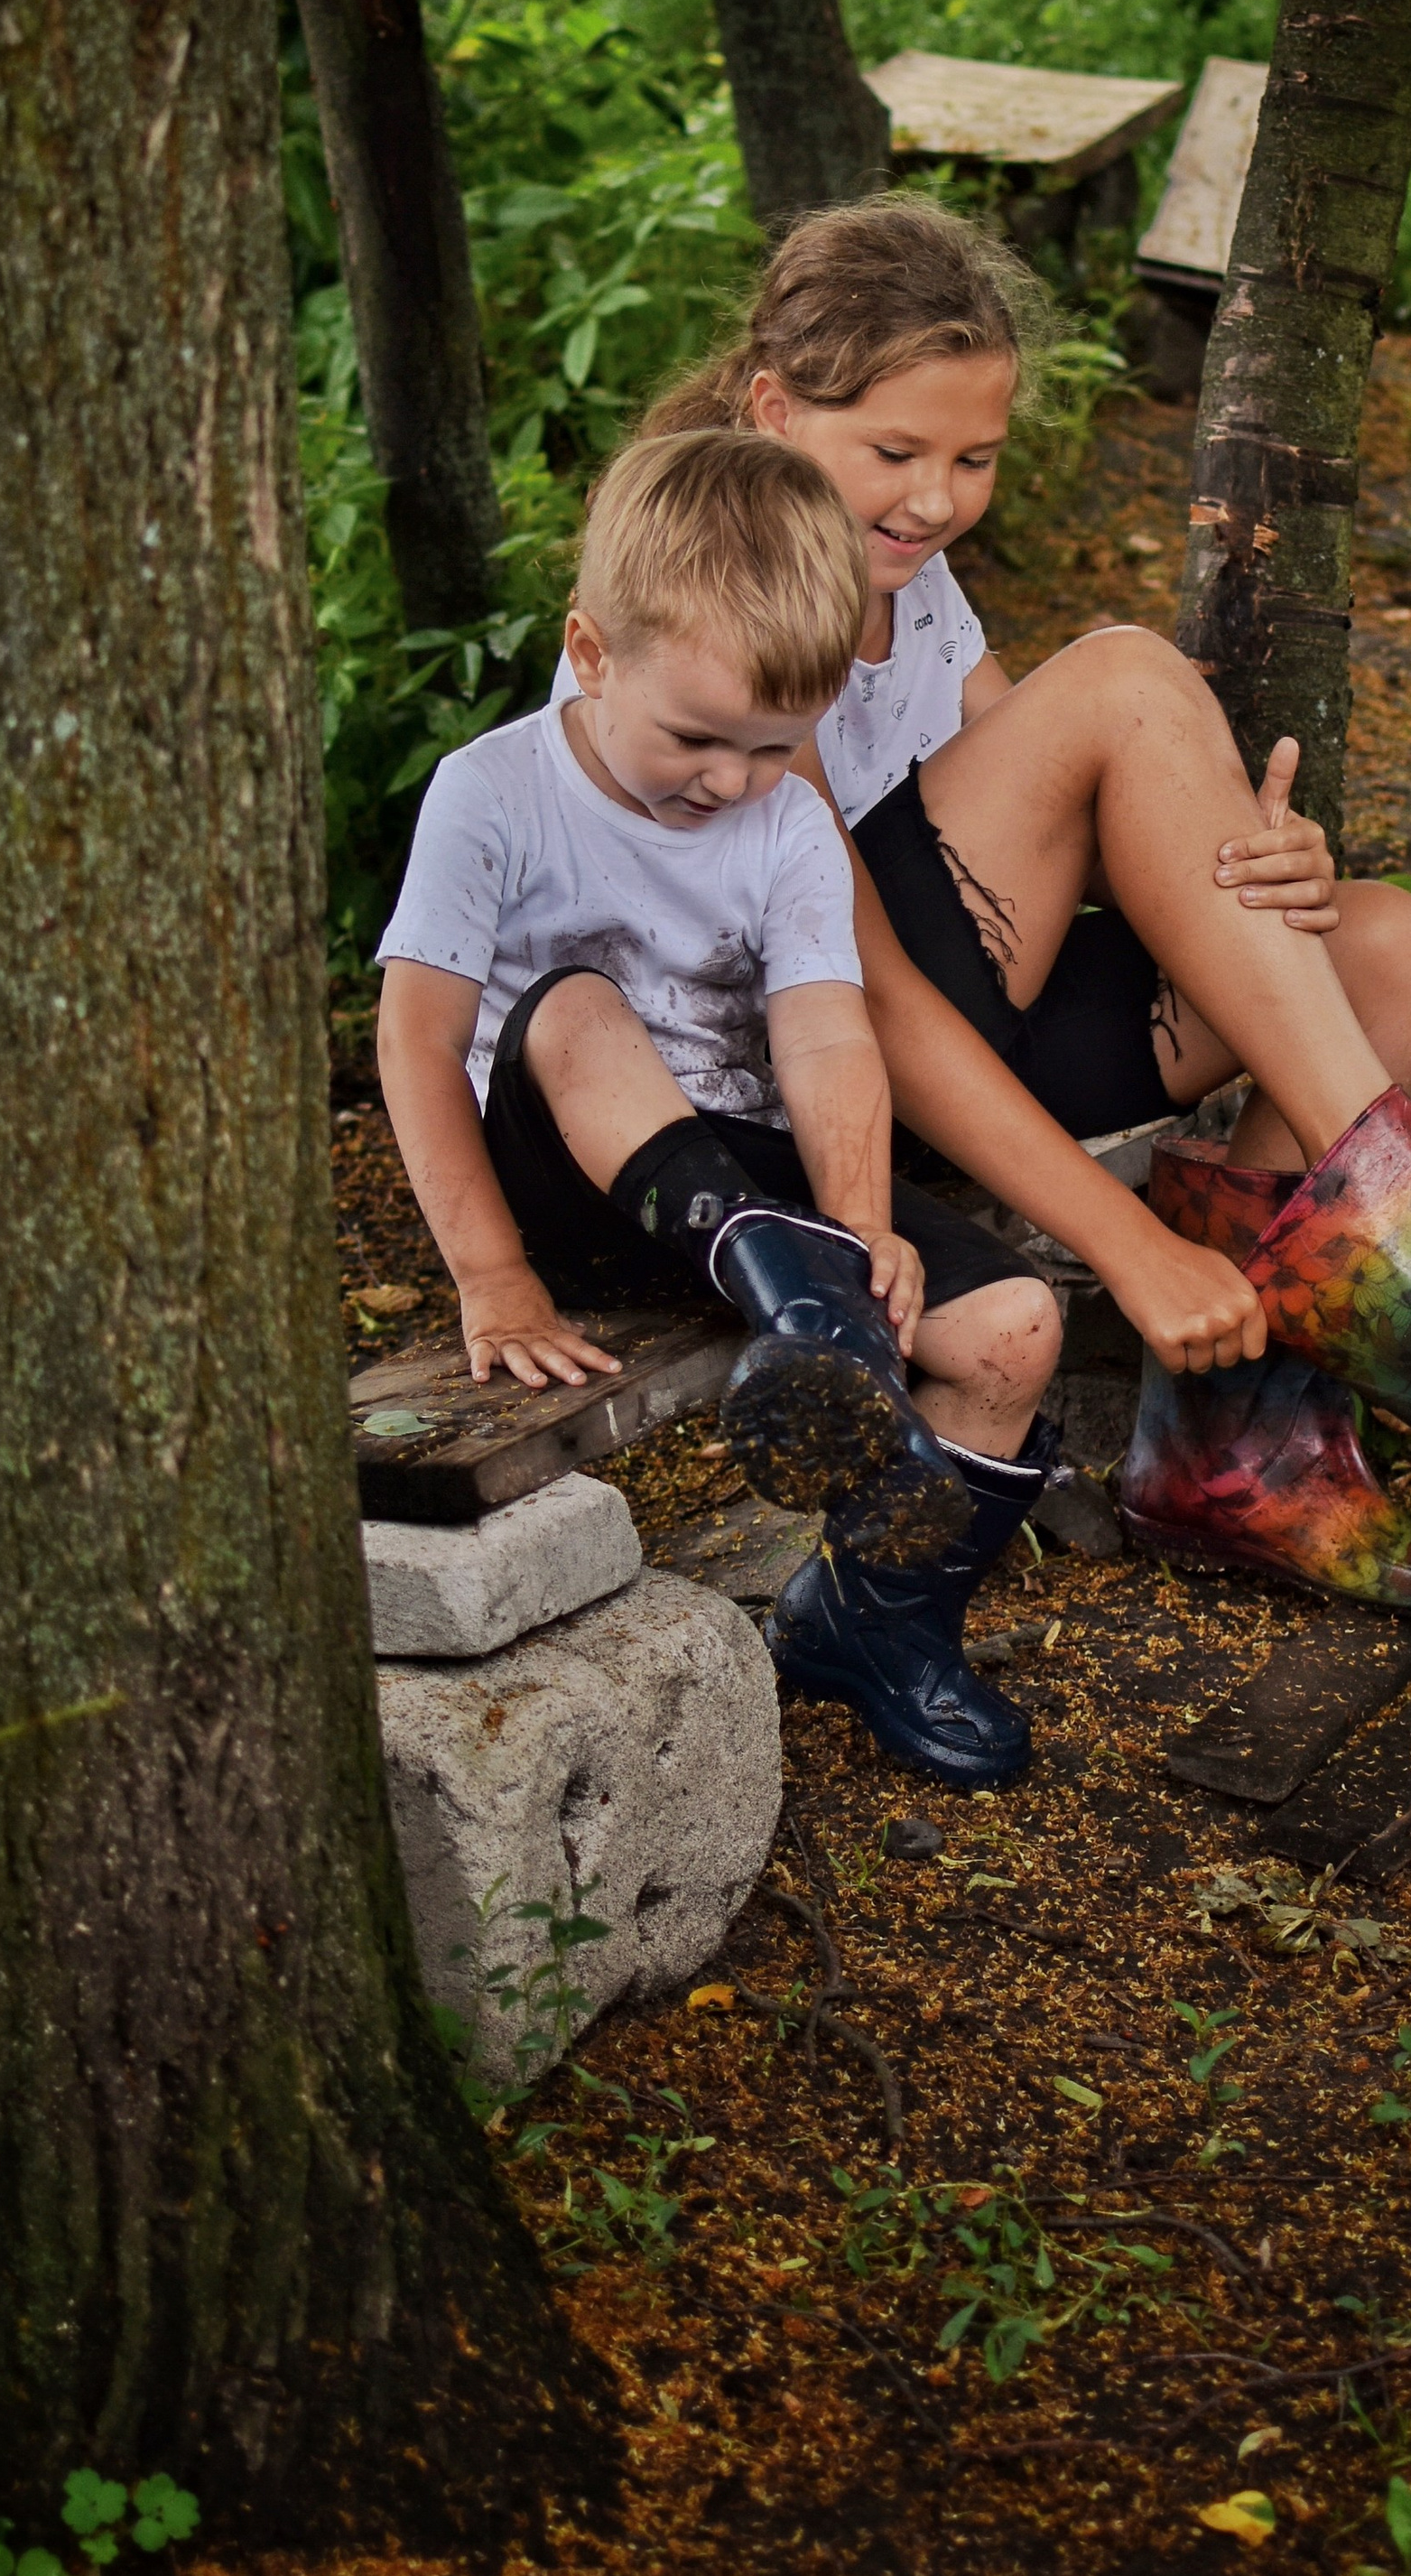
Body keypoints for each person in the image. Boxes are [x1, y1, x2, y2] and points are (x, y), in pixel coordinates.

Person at [627, 201, 1411, 1610]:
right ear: (771, 410)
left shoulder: (917, 587)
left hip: (945, 1030)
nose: (936, 498)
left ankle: (1229, 1453)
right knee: (1130, 677)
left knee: (1380, 950)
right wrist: (1124, 1246)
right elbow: (868, 994)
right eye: (893, 453)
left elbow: (1043, 822)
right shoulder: (718, 606)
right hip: (788, 1085)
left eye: (974, 458)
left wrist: (1247, 880)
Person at [376, 426, 1065, 1793]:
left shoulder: (784, 824)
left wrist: (862, 1227)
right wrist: (494, 1277)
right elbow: (416, 1040)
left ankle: (875, 1622)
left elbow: (820, 1031)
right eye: (696, 738)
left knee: (1015, 1328)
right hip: (566, 1180)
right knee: (574, 1008)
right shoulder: (495, 793)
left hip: (744, 1186)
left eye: (772, 747)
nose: (731, 783)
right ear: (589, 652)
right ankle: (809, 1311)